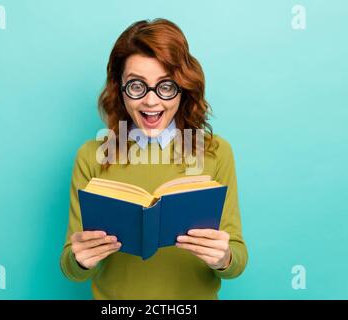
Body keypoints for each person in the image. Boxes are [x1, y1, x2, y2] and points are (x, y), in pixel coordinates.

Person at [60, 18, 248, 299]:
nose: (151, 102)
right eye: (137, 86)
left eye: (165, 86)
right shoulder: (91, 156)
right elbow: (71, 267)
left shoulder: (215, 152)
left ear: (183, 88)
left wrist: (224, 259)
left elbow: (237, 260)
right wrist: (79, 259)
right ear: (119, 88)